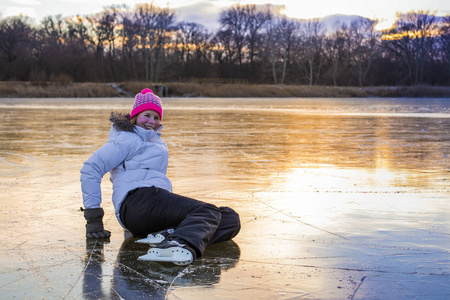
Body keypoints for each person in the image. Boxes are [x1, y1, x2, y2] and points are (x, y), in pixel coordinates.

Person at [80, 88, 241, 265]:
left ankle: (169, 236)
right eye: (146, 115)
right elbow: (91, 168)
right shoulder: (127, 138)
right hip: (136, 201)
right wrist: (93, 218)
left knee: (229, 218)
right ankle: (177, 243)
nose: (152, 121)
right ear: (135, 116)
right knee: (207, 211)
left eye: (156, 117)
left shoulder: (157, 143)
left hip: (151, 209)